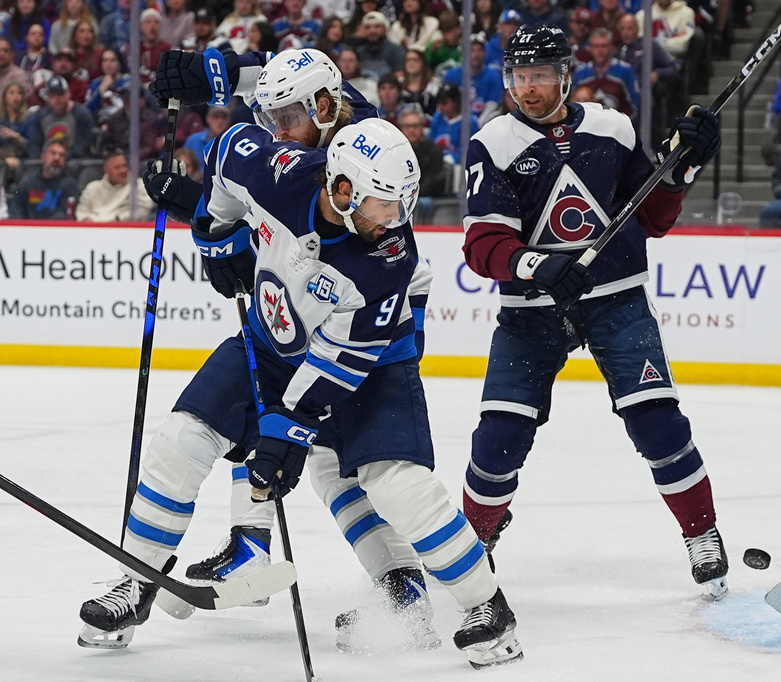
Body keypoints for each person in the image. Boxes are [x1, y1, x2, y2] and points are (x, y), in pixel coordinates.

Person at [79, 115, 524, 670]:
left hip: (374, 365)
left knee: (394, 484)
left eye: (404, 205)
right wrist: (217, 232)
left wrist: (286, 433)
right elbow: (225, 153)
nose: (397, 221)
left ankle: (487, 609)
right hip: (269, 346)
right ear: (341, 189)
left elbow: (340, 364)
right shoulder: (278, 173)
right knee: (181, 440)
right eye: (385, 205)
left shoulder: (386, 260)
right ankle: (136, 579)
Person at [460, 24, 730, 600]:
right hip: (531, 312)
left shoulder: (612, 128)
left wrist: (683, 166)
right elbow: (483, 247)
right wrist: (537, 266)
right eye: (519, 77)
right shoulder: (493, 143)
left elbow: (653, 216)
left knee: (658, 423)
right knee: (498, 439)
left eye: (539, 76)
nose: (528, 88)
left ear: (565, 76)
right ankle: (473, 545)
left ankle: (702, 533)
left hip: (617, 299)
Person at [574, 27, 640, 120]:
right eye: (596, 46)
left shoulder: (625, 71)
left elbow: (635, 106)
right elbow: (574, 106)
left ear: (611, 47)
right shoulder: (580, 73)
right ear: (590, 48)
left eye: (604, 46)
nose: (600, 50)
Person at [75, 147, 154, 222]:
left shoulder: (138, 186)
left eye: (124, 166)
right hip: (94, 230)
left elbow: (142, 212)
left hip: (124, 230)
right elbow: (82, 211)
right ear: (107, 170)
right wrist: (87, 220)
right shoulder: (92, 188)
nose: (122, 170)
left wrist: (118, 220)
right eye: (117, 167)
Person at [25, 74, 95, 159]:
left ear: (68, 94)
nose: (56, 99)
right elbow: (34, 145)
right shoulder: (40, 117)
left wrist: (62, 158)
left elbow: (82, 145)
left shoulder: (81, 114)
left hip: (76, 164)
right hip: (47, 163)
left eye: (60, 94)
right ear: (47, 97)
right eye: (52, 95)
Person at [9, 138, 78, 219]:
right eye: (53, 153)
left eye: (61, 155)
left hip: (56, 230)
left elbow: (65, 215)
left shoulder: (70, 185)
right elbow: (16, 212)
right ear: (43, 156)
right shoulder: (27, 182)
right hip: (27, 230)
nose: (56, 158)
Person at [443, 32, 503, 124]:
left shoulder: (493, 76)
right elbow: (444, 104)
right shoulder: (452, 75)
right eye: (472, 50)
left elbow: (492, 105)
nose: (476, 55)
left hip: (483, 125)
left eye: (480, 50)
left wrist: (476, 126)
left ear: (485, 53)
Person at [430, 81, 479, 166]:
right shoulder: (437, 117)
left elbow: (471, 152)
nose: (441, 107)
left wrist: (453, 158)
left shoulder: (470, 122)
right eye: (439, 103)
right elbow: (430, 141)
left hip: (459, 167)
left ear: (455, 102)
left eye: (445, 103)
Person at [182, 105, 232, 173]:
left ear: (229, 121)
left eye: (224, 117)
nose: (220, 121)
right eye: (216, 117)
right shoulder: (193, 140)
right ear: (208, 119)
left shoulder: (233, 143)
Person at [356, 10, 405, 79]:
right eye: (368, 27)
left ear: (385, 30)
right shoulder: (358, 53)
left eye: (377, 26)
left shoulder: (396, 51)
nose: (372, 31)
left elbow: (400, 76)